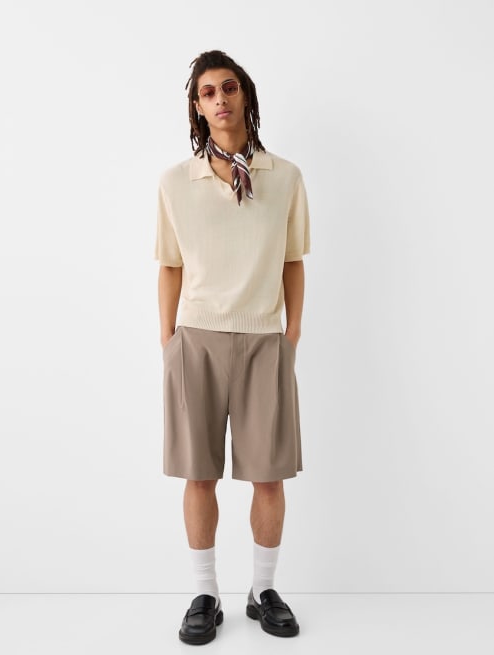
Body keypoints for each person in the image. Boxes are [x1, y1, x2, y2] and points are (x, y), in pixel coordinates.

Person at [153, 49, 310, 645]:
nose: (220, 99)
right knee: (199, 474)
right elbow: (169, 266)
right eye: (207, 92)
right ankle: (205, 593)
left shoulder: (285, 177)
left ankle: (263, 590)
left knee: (269, 476)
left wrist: (291, 334)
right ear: (197, 107)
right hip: (196, 339)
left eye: (229, 87)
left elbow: (293, 260)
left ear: (246, 95)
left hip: (266, 339)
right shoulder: (176, 182)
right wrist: (168, 340)